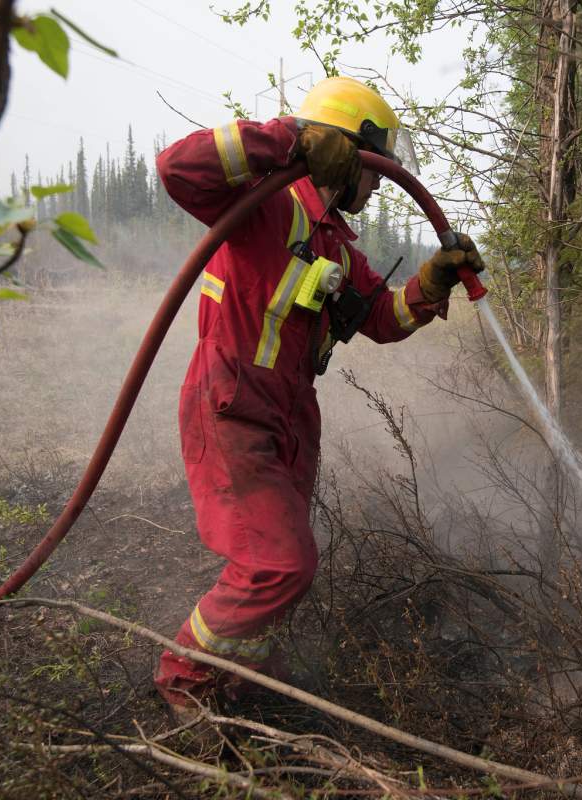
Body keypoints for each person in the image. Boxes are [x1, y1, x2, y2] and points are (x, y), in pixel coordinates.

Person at [151, 75, 485, 719]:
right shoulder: (264, 203)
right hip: (233, 407)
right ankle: (186, 676)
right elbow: (176, 167)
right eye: (376, 163)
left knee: (281, 556)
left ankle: (243, 668)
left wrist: (434, 278)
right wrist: (290, 139)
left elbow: (382, 319)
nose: (383, 180)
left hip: (290, 418)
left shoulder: (332, 238)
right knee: (279, 562)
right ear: (349, 149)